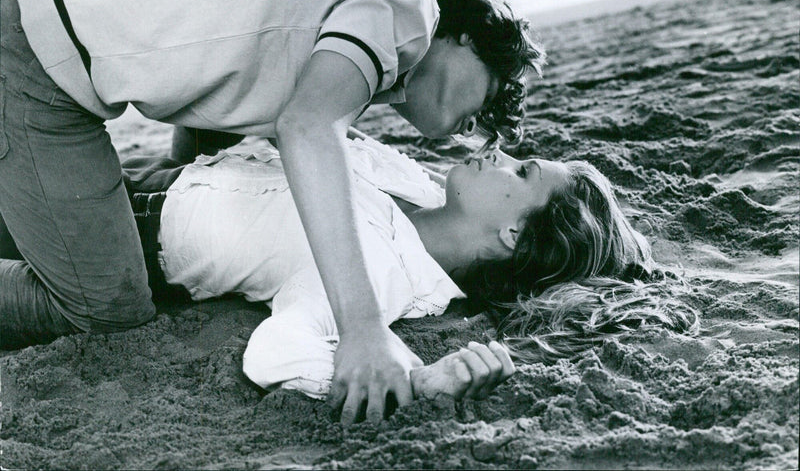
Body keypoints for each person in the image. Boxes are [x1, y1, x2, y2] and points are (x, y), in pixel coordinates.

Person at [0, 0, 543, 423]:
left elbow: (233, 51)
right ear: (467, 38)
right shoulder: (407, 10)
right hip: (33, 37)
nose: (478, 130)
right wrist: (363, 328)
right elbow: (308, 127)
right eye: (489, 99)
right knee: (105, 309)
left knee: (69, 230)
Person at [104, 133, 695, 410]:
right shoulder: (418, 183)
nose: (500, 152)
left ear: (513, 234)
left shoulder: (378, 276)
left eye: (521, 173)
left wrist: (412, 383)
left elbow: (273, 353)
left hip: (126, 231)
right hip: (162, 168)